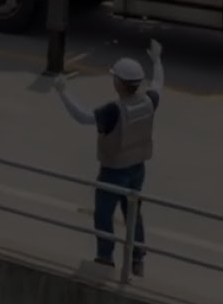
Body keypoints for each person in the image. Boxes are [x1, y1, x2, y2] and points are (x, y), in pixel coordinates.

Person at [54, 39, 163, 275]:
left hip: (113, 171)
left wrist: (63, 92)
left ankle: (105, 257)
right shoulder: (148, 102)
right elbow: (158, 84)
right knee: (133, 213)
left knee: (103, 214)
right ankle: (137, 258)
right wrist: (157, 60)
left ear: (120, 83)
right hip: (138, 169)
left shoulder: (113, 110)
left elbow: (83, 117)